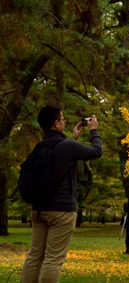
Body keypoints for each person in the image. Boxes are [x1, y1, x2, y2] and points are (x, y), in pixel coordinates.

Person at [19, 105, 102, 283]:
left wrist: (73, 138)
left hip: (39, 209)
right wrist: (93, 130)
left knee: (34, 256)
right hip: (62, 211)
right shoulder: (68, 146)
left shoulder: (40, 146)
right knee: (53, 259)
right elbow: (97, 151)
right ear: (56, 123)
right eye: (63, 119)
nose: (64, 121)